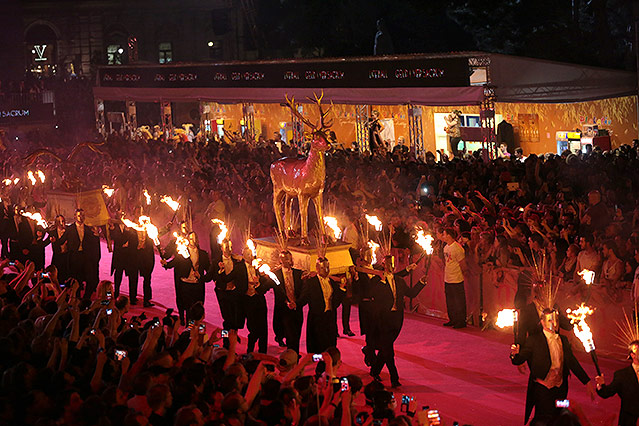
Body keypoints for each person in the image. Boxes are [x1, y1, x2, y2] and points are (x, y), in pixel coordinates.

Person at [510, 308, 595, 425]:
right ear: (543, 322)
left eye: (556, 321)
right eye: (550, 320)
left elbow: (572, 362)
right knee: (545, 417)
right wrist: (514, 355)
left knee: (560, 413)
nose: (554, 324)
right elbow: (519, 359)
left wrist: (587, 381)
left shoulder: (563, 340)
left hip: (560, 389)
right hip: (543, 390)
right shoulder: (534, 340)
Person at [369, 255, 426, 387]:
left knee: (385, 348)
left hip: (396, 319)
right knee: (389, 349)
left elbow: (411, 293)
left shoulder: (399, 281)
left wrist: (421, 283)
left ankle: (375, 370)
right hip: (383, 319)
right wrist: (382, 281)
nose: (391, 266)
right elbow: (372, 294)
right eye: (388, 264)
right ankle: (394, 377)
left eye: (392, 264)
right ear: (383, 265)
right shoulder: (377, 280)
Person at [219, 243, 272, 353]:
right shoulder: (238, 267)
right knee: (229, 323)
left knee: (262, 327)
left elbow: (267, 281)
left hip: (257, 300)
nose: (250, 256)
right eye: (248, 254)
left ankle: (261, 350)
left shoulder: (258, 266)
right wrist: (220, 272)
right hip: (232, 299)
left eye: (251, 253)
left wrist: (260, 284)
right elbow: (225, 278)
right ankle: (226, 344)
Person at [298, 256, 347, 354]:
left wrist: (342, 288)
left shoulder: (332, 282)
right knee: (318, 342)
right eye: (323, 268)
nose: (326, 270)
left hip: (330, 316)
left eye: (327, 268)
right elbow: (304, 298)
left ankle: (330, 360)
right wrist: (295, 304)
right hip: (317, 317)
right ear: (317, 268)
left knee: (330, 341)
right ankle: (318, 363)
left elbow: (336, 302)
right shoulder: (311, 283)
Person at [161, 231, 212, 324]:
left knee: (198, 307)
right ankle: (189, 329)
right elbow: (174, 262)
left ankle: (197, 328)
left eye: (194, 238)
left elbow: (208, 269)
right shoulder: (183, 251)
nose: (192, 241)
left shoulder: (203, 254)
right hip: (186, 283)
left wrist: (203, 277)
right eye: (190, 239)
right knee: (189, 308)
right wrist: (166, 264)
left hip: (198, 285)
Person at [58, 208, 101, 299]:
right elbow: (61, 241)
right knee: (76, 280)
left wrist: (97, 235)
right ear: (75, 217)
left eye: (82, 215)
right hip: (74, 257)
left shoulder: (88, 229)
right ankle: (76, 299)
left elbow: (94, 242)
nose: (81, 217)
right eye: (79, 215)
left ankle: (86, 297)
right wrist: (53, 237)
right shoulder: (70, 229)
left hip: (85, 257)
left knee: (91, 279)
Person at [595, 340, 639, 426]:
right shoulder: (622, 375)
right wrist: (601, 384)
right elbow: (607, 393)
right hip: (628, 418)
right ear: (632, 355)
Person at [272, 249, 305, 354]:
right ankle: (293, 354)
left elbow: (303, 291)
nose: (286, 261)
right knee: (290, 335)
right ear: (280, 260)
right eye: (283, 259)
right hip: (284, 310)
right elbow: (265, 286)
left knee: (296, 334)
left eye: (288, 258)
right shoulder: (275, 275)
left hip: (297, 308)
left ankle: (294, 352)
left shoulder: (298, 273)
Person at [440, 227, 467, 329]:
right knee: (450, 300)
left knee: (458, 300)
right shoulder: (446, 247)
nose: (443, 236)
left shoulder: (457, 248)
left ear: (449, 236)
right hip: (448, 277)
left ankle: (461, 321)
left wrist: (464, 272)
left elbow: (462, 263)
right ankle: (453, 319)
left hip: (456, 278)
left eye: (444, 234)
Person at [50, 214, 70, 285]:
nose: (62, 223)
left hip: (67, 256)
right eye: (59, 221)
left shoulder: (69, 231)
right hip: (57, 256)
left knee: (66, 274)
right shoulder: (52, 231)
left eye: (63, 221)